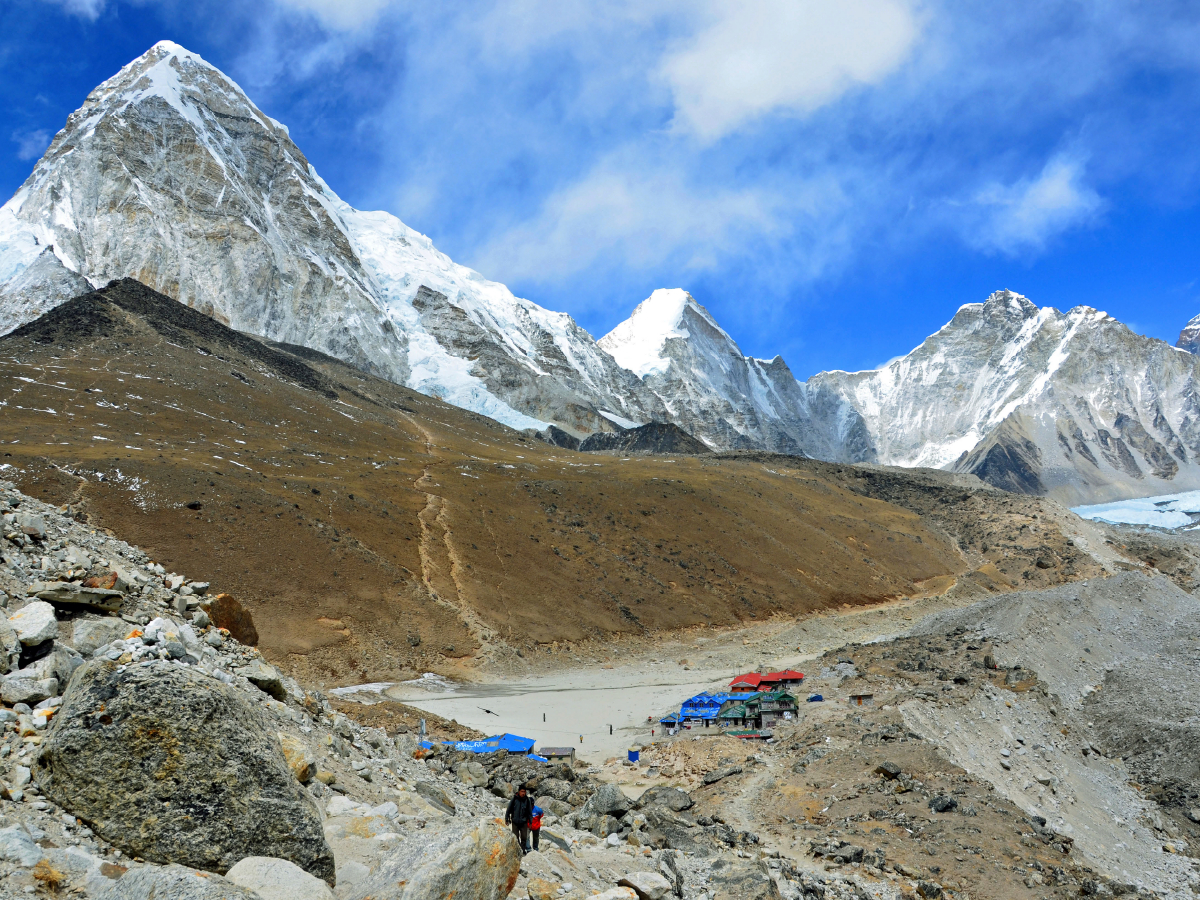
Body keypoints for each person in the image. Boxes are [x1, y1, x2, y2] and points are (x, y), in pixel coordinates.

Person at [505, 785, 534, 853]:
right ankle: (517, 851)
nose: (523, 793)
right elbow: (508, 809)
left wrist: (530, 822)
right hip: (515, 822)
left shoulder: (527, 800)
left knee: (524, 837)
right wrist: (506, 819)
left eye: (524, 792)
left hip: (523, 822)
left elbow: (530, 812)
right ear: (519, 791)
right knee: (516, 837)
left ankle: (522, 850)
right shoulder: (514, 799)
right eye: (522, 791)